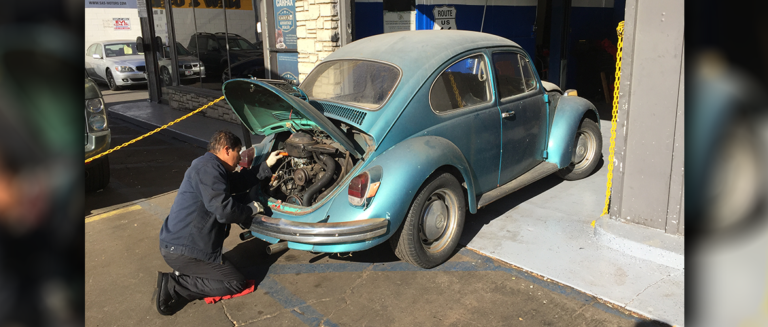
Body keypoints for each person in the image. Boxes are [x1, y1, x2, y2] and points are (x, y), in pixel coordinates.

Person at [154, 130, 284, 315]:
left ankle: (189, 273)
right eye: (238, 152)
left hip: (182, 246)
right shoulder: (208, 169)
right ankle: (176, 284)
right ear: (226, 149)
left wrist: (266, 166)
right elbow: (224, 211)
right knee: (235, 283)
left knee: (228, 277)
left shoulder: (211, 166)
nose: (240, 158)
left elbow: (238, 182)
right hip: (185, 250)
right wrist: (251, 210)